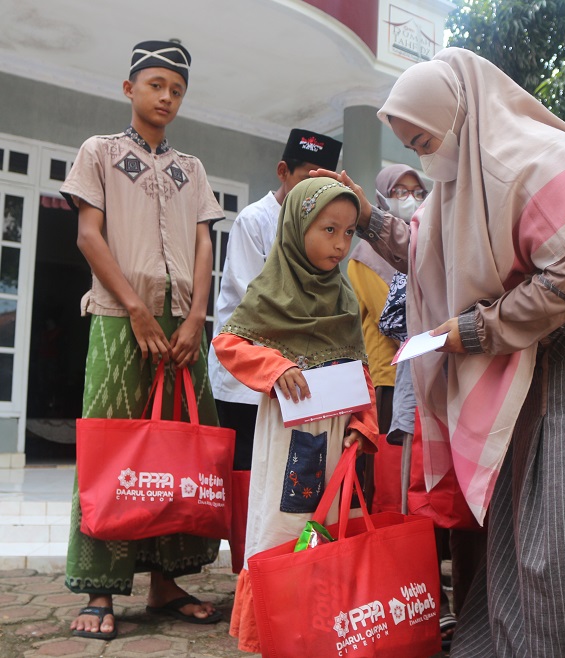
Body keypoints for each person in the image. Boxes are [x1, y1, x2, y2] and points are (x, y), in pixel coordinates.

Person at [316, 47, 565, 657]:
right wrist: (363, 217)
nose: (422, 156)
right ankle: (532, 633)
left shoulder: (537, 157)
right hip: (546, 331)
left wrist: (477, 330)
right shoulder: (462, 186)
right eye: (410, 146)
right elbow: (430, 250)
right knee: (532, 481)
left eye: (424, 138)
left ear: (457, 113)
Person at [60, 40, 225, 640]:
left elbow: (206, 245)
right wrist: (135, 308)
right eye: (156, 84)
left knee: (178, 448)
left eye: (177, 89)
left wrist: (194, 317)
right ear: (129, 89)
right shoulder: (98, 152)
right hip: (117, 316)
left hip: (182, 325)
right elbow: (86, 234)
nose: (167, 97)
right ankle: (100, 587)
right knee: (113, 447)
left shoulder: (194, 169)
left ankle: (166, 582)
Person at [212, 178, 379, 654]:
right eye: (329, 229)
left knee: (331, 527)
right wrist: (275, 366)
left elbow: (360, 369)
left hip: (338, 439)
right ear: (297, 226)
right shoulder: (271, 292)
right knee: (284, 528)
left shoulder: (343, 298)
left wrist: (363, 424)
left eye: (348, 233)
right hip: (289, 435)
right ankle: (276, 631)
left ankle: (325, 630)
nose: (341, 244)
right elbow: (229, 343)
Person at [207, 129, 342, 471]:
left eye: (324, 183)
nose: (314, 191)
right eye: (304, 178)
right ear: (283, 172)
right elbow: (255, 304)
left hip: (295, 378)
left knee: (282, 479)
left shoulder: (322, 231)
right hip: (247, 378)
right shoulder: (255, 220)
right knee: (245, 475)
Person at [346, 164, 426, 512]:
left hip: (426, 376)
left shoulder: (425, 245)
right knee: (394, 482)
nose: (410, 199)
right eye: (400, 192)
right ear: (381, 198)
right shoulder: (365, 257)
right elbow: (393, 320)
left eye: (418, 192)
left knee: (420, 473)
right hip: (390, 379)